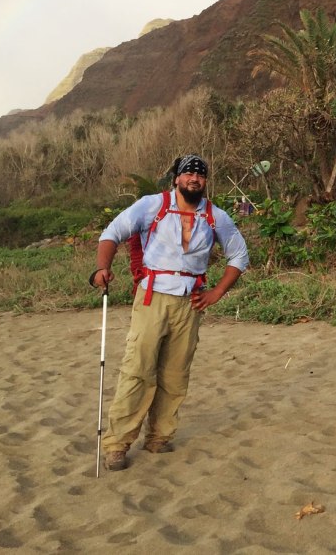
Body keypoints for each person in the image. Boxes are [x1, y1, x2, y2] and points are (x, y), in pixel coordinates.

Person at [90, 154, 249, 472]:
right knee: (138, 369)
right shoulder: (152, 205)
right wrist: (101, 268)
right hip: (153, 297)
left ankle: (159, 437)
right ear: (177, 178)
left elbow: (239, 256)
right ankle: (117, 444)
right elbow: (112, 233)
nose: (195, 178)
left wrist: (217, 292)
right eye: (189, 173)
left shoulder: (215, 216)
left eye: (200, 175)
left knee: (175, 374)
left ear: (205, 181)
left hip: (190, 301)